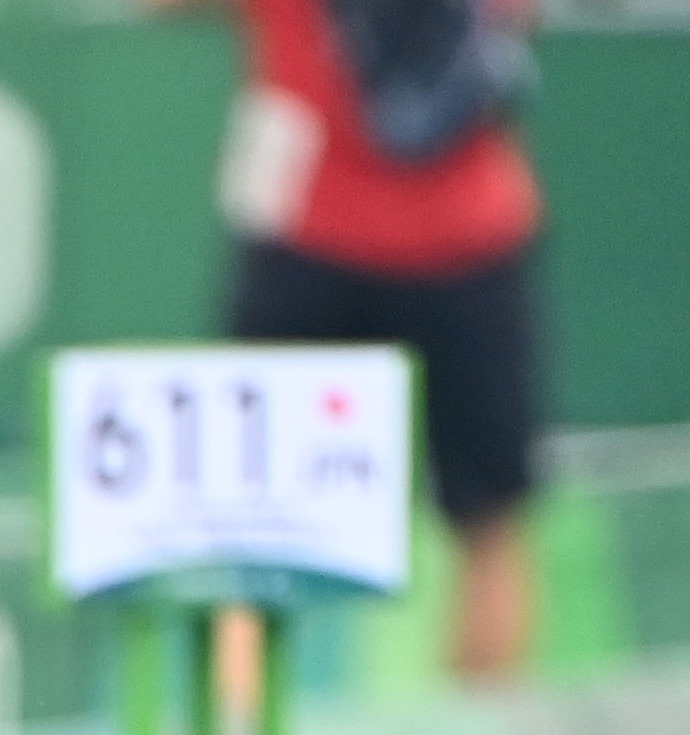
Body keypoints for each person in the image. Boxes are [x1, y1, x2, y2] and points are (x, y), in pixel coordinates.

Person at [206, 0, 547, 682]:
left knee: (250, 528)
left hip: (434, 235)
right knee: (246, 524)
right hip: (337, 232)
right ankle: (240, 733)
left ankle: (241, 726)